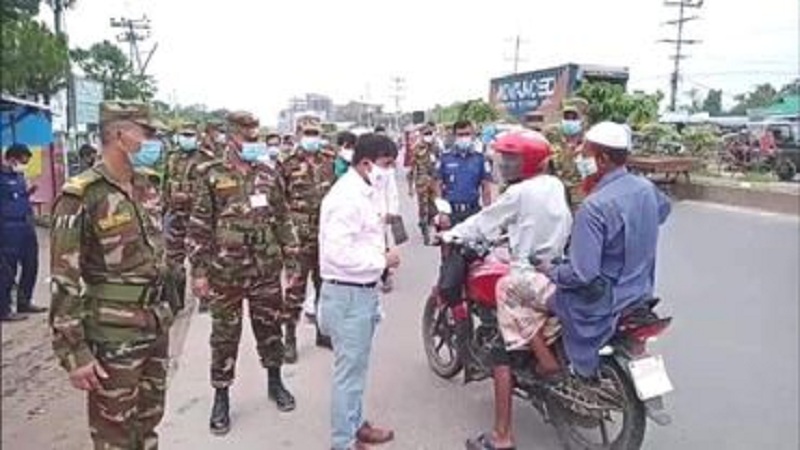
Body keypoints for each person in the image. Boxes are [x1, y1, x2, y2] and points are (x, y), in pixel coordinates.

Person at [49, 100, 175, 449]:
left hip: (154, 325)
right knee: (114, 435)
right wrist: (75, 353)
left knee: (148, 426)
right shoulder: (83, 196)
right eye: (147, 133)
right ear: (120, 135)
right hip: (112, 336)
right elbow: (64, 280)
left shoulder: (147, 185)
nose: (155, 141)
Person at [438, 131, 572, 450]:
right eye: (504, 158)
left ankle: (501, 436)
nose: (506, 164)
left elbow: (485, 221)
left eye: (512, 159)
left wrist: (451, 235)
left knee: (502, 340)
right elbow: (528, 224)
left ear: (526, 162)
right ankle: (541, 355)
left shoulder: (520, 193)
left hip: (528, 276)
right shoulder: (554, 184)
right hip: (555, 268)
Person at [189, 111, 301, 433]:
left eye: (257, 137)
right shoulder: (210, 174)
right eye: (248, 138)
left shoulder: (268, 172)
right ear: (232, 137)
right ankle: (221, 396)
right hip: (225, 274)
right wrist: (199, 271)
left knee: (269, 329)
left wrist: (292, 260)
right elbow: (199, 226)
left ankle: (275, 382)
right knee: (224, 337)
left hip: (265, 270)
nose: (254, 144)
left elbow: (283, 219)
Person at [545, 121, 671, 381]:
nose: (581, 159)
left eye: (585, 154)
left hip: (604, 301)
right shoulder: (646, 188)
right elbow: (663, 211)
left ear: (602, 159)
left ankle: (556, 371)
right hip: (640, 290)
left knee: (544, 302)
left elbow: (583, 274)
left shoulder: (594, 206)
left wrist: (551, 270)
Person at [318, 133, 400, 450]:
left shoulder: (365, 191)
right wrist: (383, 259)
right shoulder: (346, 198)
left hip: (361, 292)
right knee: (348, 374)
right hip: (347, 294)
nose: (390, 171)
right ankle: (343, 442)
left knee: (357, 369)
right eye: (387, 164)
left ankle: (355, 424)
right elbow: (339, 254)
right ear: (366, 163)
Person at [281, 116, 337, 358]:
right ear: (298, 135)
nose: (311, 138)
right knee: (295, 289)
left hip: (325, 237)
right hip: (299, 239)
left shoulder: (329, 160)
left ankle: (323, 333)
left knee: (324, 287)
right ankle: (290, 338)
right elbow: (279, 201)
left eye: (315, 133)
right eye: (307, 133)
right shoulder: (288, 164)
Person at [162, 123, 208, 313]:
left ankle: (205, 298)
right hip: (175, 216)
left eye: (190, 135)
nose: (186, 138)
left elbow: (208, 190)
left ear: (197, 137)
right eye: (184, 135)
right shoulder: (172, 157)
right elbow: (165, 183)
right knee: (173, 261)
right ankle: (176, 301)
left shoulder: (205, 159)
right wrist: (164, 206)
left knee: (201, 257)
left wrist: (189, 196)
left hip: (197, 216)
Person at [1, 143, 46, 321]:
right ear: (13, 158)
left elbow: (18, 198)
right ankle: (4, 309)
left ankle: (24, 301)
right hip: (8, 228)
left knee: (31, 265)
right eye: (23, 160)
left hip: (26, 225)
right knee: (7, 270)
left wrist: (28, 193)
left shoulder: (20, 176)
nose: (24, 164)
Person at [435, 120, 493, 225]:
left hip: (473, 212)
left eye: (467, 134)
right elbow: (438, 186)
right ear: (454, 136)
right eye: (460, 135)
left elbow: (486, 188)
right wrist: (442, 212)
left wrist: (487, 214)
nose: (464, 138)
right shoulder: (445, 158)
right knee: (449, 240)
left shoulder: (480, 158)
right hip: (451, 212)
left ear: (473, 135)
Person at [546, 98, 588, 210]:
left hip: (578, 195)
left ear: (582, 119)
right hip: (555, 193)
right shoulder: (553, 138)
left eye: (574, 117)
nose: (569, 120)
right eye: (566, 117)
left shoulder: (588, 142)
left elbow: (591, 172)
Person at [407, 123, 439, 244]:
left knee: (435, 207)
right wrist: (410, 187)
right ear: (421, 135)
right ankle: (424, 228)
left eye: (430, 133)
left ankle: (432, 226)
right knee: (423, 207)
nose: (428, 136)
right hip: (422, 181)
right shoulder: (417, 148)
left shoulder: (436, 147)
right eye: (426, 134)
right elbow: (412, 169)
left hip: (435, 181)